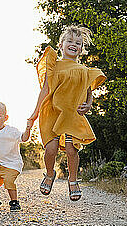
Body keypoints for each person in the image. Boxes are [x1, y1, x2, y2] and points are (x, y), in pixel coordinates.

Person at [28, 25, 106, 201]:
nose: (74, 44)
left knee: (71, 149)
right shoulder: (53, 66)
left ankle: (73, 181)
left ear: (82, 49)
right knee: (51, 149)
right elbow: (45, 90)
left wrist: (89, 105)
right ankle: (49, 174)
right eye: (69, 41)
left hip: (72, 113)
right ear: (61, 44)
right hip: (52, 111)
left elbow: (88, 92)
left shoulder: (84, 71)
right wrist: (34, 114)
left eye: (78, 43)